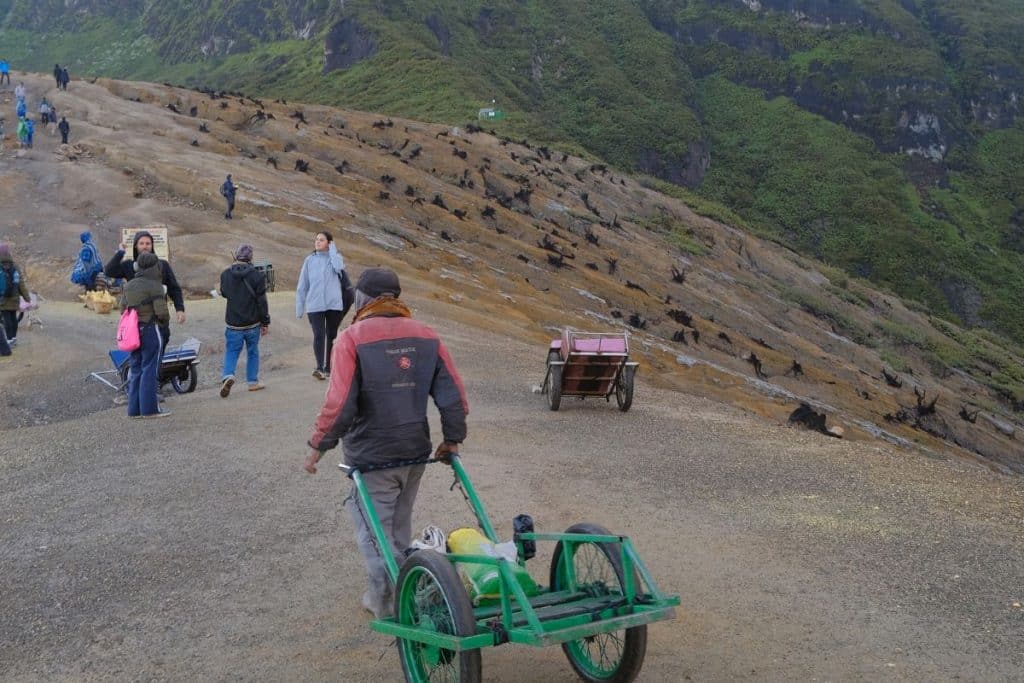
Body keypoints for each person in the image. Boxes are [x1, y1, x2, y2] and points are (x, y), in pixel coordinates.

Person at [303, 267, 469, 618]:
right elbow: (453, 395)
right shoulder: (427, 335)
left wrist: (318, 444)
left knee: (374, 532)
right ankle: (405, 586)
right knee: (397, 525)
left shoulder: (350, 339)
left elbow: (340, 403)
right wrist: (452, 438)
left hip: (372, 456)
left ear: (363, 298)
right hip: (415, 452)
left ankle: (388, 603)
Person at [104, 230, 186, 355]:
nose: (145, 246)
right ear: (136, 246)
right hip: (135, 321)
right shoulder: (129, 266)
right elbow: (109, 271)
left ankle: (155, 374)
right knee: (139, 358)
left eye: (148, 243)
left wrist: (179, 308)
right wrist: (120, 253)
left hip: (159, 317)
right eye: (141, 243)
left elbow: (174, 288)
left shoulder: (162, 265)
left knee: (158, 352)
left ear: (152, 245)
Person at [119, 252, 171, 418]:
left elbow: (122, 309)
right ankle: (150, 410)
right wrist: (163, 323)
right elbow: (161, 312)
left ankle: (134, 410)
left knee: (136, 369)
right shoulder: (155, 285)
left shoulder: (129, 285)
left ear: (138, 267)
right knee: (150, 369)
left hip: (134, 331)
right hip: (150, 329)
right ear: (155, 267)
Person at [295, 231, 350, 380]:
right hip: (315, 305)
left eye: (322, 240)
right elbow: (302, 285)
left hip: (334, 304)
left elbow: (338, 268)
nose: (317, 242)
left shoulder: (335, 258)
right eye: (316, 240)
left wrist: (333, 251)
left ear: (329, 243)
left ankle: (329, 367)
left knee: (331, 335)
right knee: (319, 335)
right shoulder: (309, 260)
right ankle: (319, 367)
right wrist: (299, 307)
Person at [218, 244, 269, 397]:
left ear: (236, 256)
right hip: (252, 323)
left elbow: (225, 293)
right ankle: (252, 382)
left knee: (232, 351)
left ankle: (228, 375)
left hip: (233, 323)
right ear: (250, 258)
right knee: (253, 351)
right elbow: (262, 302)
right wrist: (265, 322)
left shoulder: (225, 274)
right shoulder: (257, 276)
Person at [0, 242, 31, 348]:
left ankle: (8, 340)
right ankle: (13, 338)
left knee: (6, 319)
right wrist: (27, 297)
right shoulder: (14, 265)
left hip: (3, 298)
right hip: (14, 297)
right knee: (13, 318)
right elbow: (21, 284)